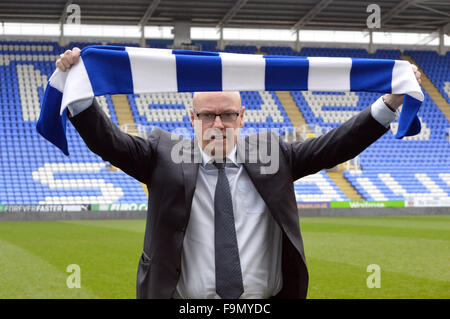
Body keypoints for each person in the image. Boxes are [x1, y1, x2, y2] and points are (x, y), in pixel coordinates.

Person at [56, 48, 421, 299]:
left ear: (242, 117)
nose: (218, 123)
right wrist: (79, 89)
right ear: (192, 118)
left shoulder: (273, 155)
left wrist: (389, 103)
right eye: (207, 115)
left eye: (227, 114)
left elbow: (334, 146)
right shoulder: (161, 155)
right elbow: (109, 141)